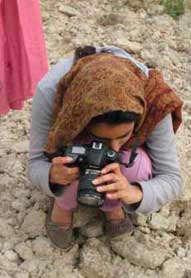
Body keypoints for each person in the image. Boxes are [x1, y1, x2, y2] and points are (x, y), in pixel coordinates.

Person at [28, 45, 183, 251]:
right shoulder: (51, 92)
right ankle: (63, 204)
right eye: (101, 137)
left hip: (129, 157)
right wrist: (51, 176)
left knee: (134, 164)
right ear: (79, 121)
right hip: (73, 136)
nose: (116, 147)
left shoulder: (154, 101)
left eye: (124, 135)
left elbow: (171, 177)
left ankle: (112, 205)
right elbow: (36, 162)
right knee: (73, 157)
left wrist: (133, 192)